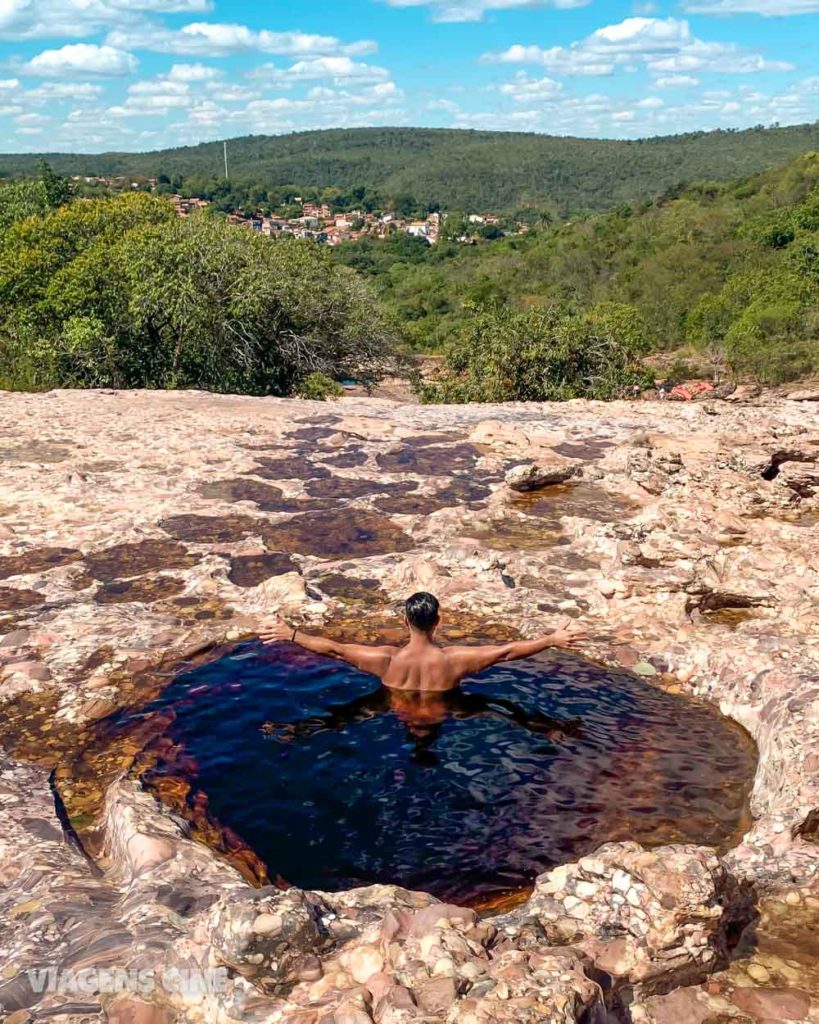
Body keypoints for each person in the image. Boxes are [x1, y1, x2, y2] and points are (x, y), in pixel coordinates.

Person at [260, 591, 587, 694]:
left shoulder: (386, 660)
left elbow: (333, 648)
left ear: (405, 621)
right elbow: (508, 651)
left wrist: (290, 634)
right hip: (442, 713)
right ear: (438, 622)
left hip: (397, 711)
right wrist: (551, 640)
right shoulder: (454, 660)